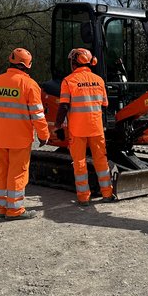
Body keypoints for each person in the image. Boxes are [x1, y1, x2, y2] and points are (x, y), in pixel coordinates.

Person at [0, 48, 50, 220]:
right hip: (20, 139)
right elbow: (37, 114)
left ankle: (3, 206)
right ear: (27, 65)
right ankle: (15, 210)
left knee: (3, 171)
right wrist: (43, 135)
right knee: (17, 173)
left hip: (0, 137)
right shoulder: (29, 85)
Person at [53, 48, 116, 206]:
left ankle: (83, 198)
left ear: (74, 62)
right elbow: (105, 105)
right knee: (101, 160)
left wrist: (57, 126)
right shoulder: (99, 80)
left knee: (79, 163)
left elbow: (64, 106)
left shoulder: (68, 81)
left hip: (78, 130)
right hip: (96, 128)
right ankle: (107, 194)